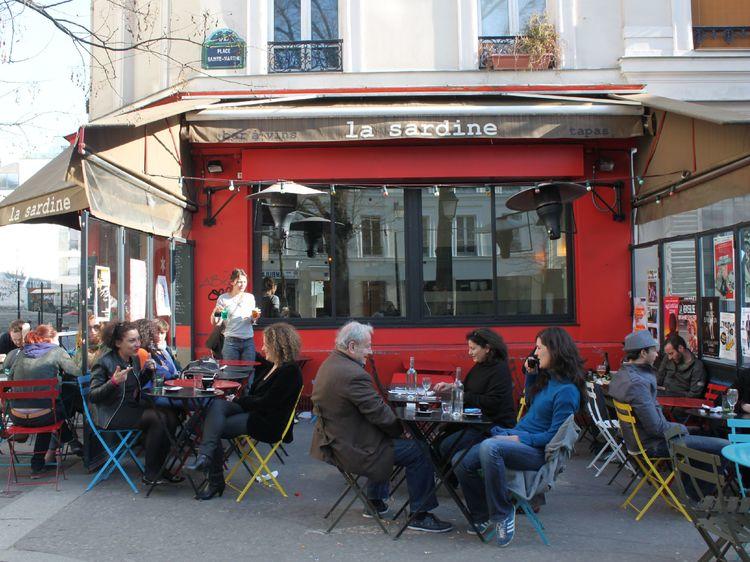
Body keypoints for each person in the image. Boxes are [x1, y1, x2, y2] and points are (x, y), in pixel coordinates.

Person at [310, 321, 453, 533]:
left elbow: (374, 412)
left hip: (335, 440)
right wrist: (401, 429)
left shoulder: (331, 364)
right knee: (419, 450)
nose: (370, 351)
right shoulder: (353, 374)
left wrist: (396, 428)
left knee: (388, 439)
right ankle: (420, 515)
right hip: (350, 448)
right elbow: (380, 414)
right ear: (351, 347)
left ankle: (375, 501)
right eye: (367, 346)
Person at [454, 327, 585, 547]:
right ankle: (482, 515)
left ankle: (503, 513)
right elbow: (534, 408)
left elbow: (554, 437)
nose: (535, 352)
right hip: (521, 437)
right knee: (460, 459)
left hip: (537, 452)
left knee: (490, 447)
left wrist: (520, 440)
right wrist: (531, 377)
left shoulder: (567, 391)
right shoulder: (547, 380)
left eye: (539, 348)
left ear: (555, 351)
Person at [186, 323, 303, 500]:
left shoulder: (290, 371)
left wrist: (238, 400)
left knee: (210, 425)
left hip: (267, 421)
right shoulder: (271, 365)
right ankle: (205, 458)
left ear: (278, 346)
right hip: (254, 410)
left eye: (266, 344)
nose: (263, 348)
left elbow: (267, 402)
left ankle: (214, 479)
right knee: (216, 406)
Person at [609, 331, 728, 478]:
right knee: (724, 447)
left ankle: (693, 488)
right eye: (654, 351)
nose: (657, 355)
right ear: (643, 353)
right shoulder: (638, 384)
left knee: (700, 435)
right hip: (652, 444)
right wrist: (683, 428)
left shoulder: (623, 375)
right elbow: (656, 428)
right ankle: (697, 494)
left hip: (637, 441)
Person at [88, 321, 180, 486]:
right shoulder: (104, 361)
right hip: (111, 413)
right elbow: (93, 396)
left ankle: (160, 468)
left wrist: (147, 372)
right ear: (118, 343)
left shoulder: (134, 359)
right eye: (132, 341)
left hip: (129, 407)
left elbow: (134, 384)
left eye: (138, 339)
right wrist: (113, 382)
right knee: (157, 418)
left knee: (171, 415)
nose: (138, 344)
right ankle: (150, 473)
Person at [7, 324, 83, 475]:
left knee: (49, 411)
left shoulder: (22, 353)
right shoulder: (56, 351)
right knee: (53, 413)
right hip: (44, 415)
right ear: (50, 339)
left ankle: (41, 464)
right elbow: (77, 371)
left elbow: (10, 379)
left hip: (17, 416)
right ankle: (74, 446)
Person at [434, 328, 516, 458]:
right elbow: (468, 387)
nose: (469, 352)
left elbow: (492, 402)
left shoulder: (499, 370)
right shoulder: (480, 365)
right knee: (436, 443)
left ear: (487, 348)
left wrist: (463, 395)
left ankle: (451, 478)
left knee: (445, 446)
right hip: (475, 422)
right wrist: (451, 386)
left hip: (491, 426)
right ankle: (447, 477)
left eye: (473, 349)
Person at [210, 268, 258, 361]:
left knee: (249, 370)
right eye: (239, 281)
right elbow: (218, 321)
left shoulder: (250, 298)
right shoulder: (223, 299)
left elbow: (253, 321)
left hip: (248, 340)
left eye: (244, 281)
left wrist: (255, 317)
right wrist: (216, 313)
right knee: (231, 371)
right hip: (230, 341)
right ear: (232, 282)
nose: (242, 284)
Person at [656, 333, 707, 398]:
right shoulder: (668, 359)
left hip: (680, 401)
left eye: (671, 353)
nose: (669, 357)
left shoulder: (697, 367)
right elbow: (659, 377)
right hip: (662, 396)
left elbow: (694, 395)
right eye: (668, 354)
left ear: (681, 348)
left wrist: (670, 392)